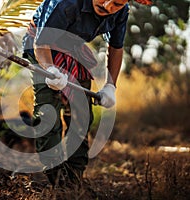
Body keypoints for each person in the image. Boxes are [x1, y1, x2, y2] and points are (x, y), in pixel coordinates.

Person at [22, 0, 152, 187]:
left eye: (116, 3)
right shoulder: (66, 3)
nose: (108, 6)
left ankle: (74, 179)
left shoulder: (121, 12)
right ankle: (56, 179)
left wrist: (110, 86)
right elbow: (42, 42)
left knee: (81, 115)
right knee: (47, 110)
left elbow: (116, 47)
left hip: (73, 49)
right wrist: (51, 70)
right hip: (42, 47)